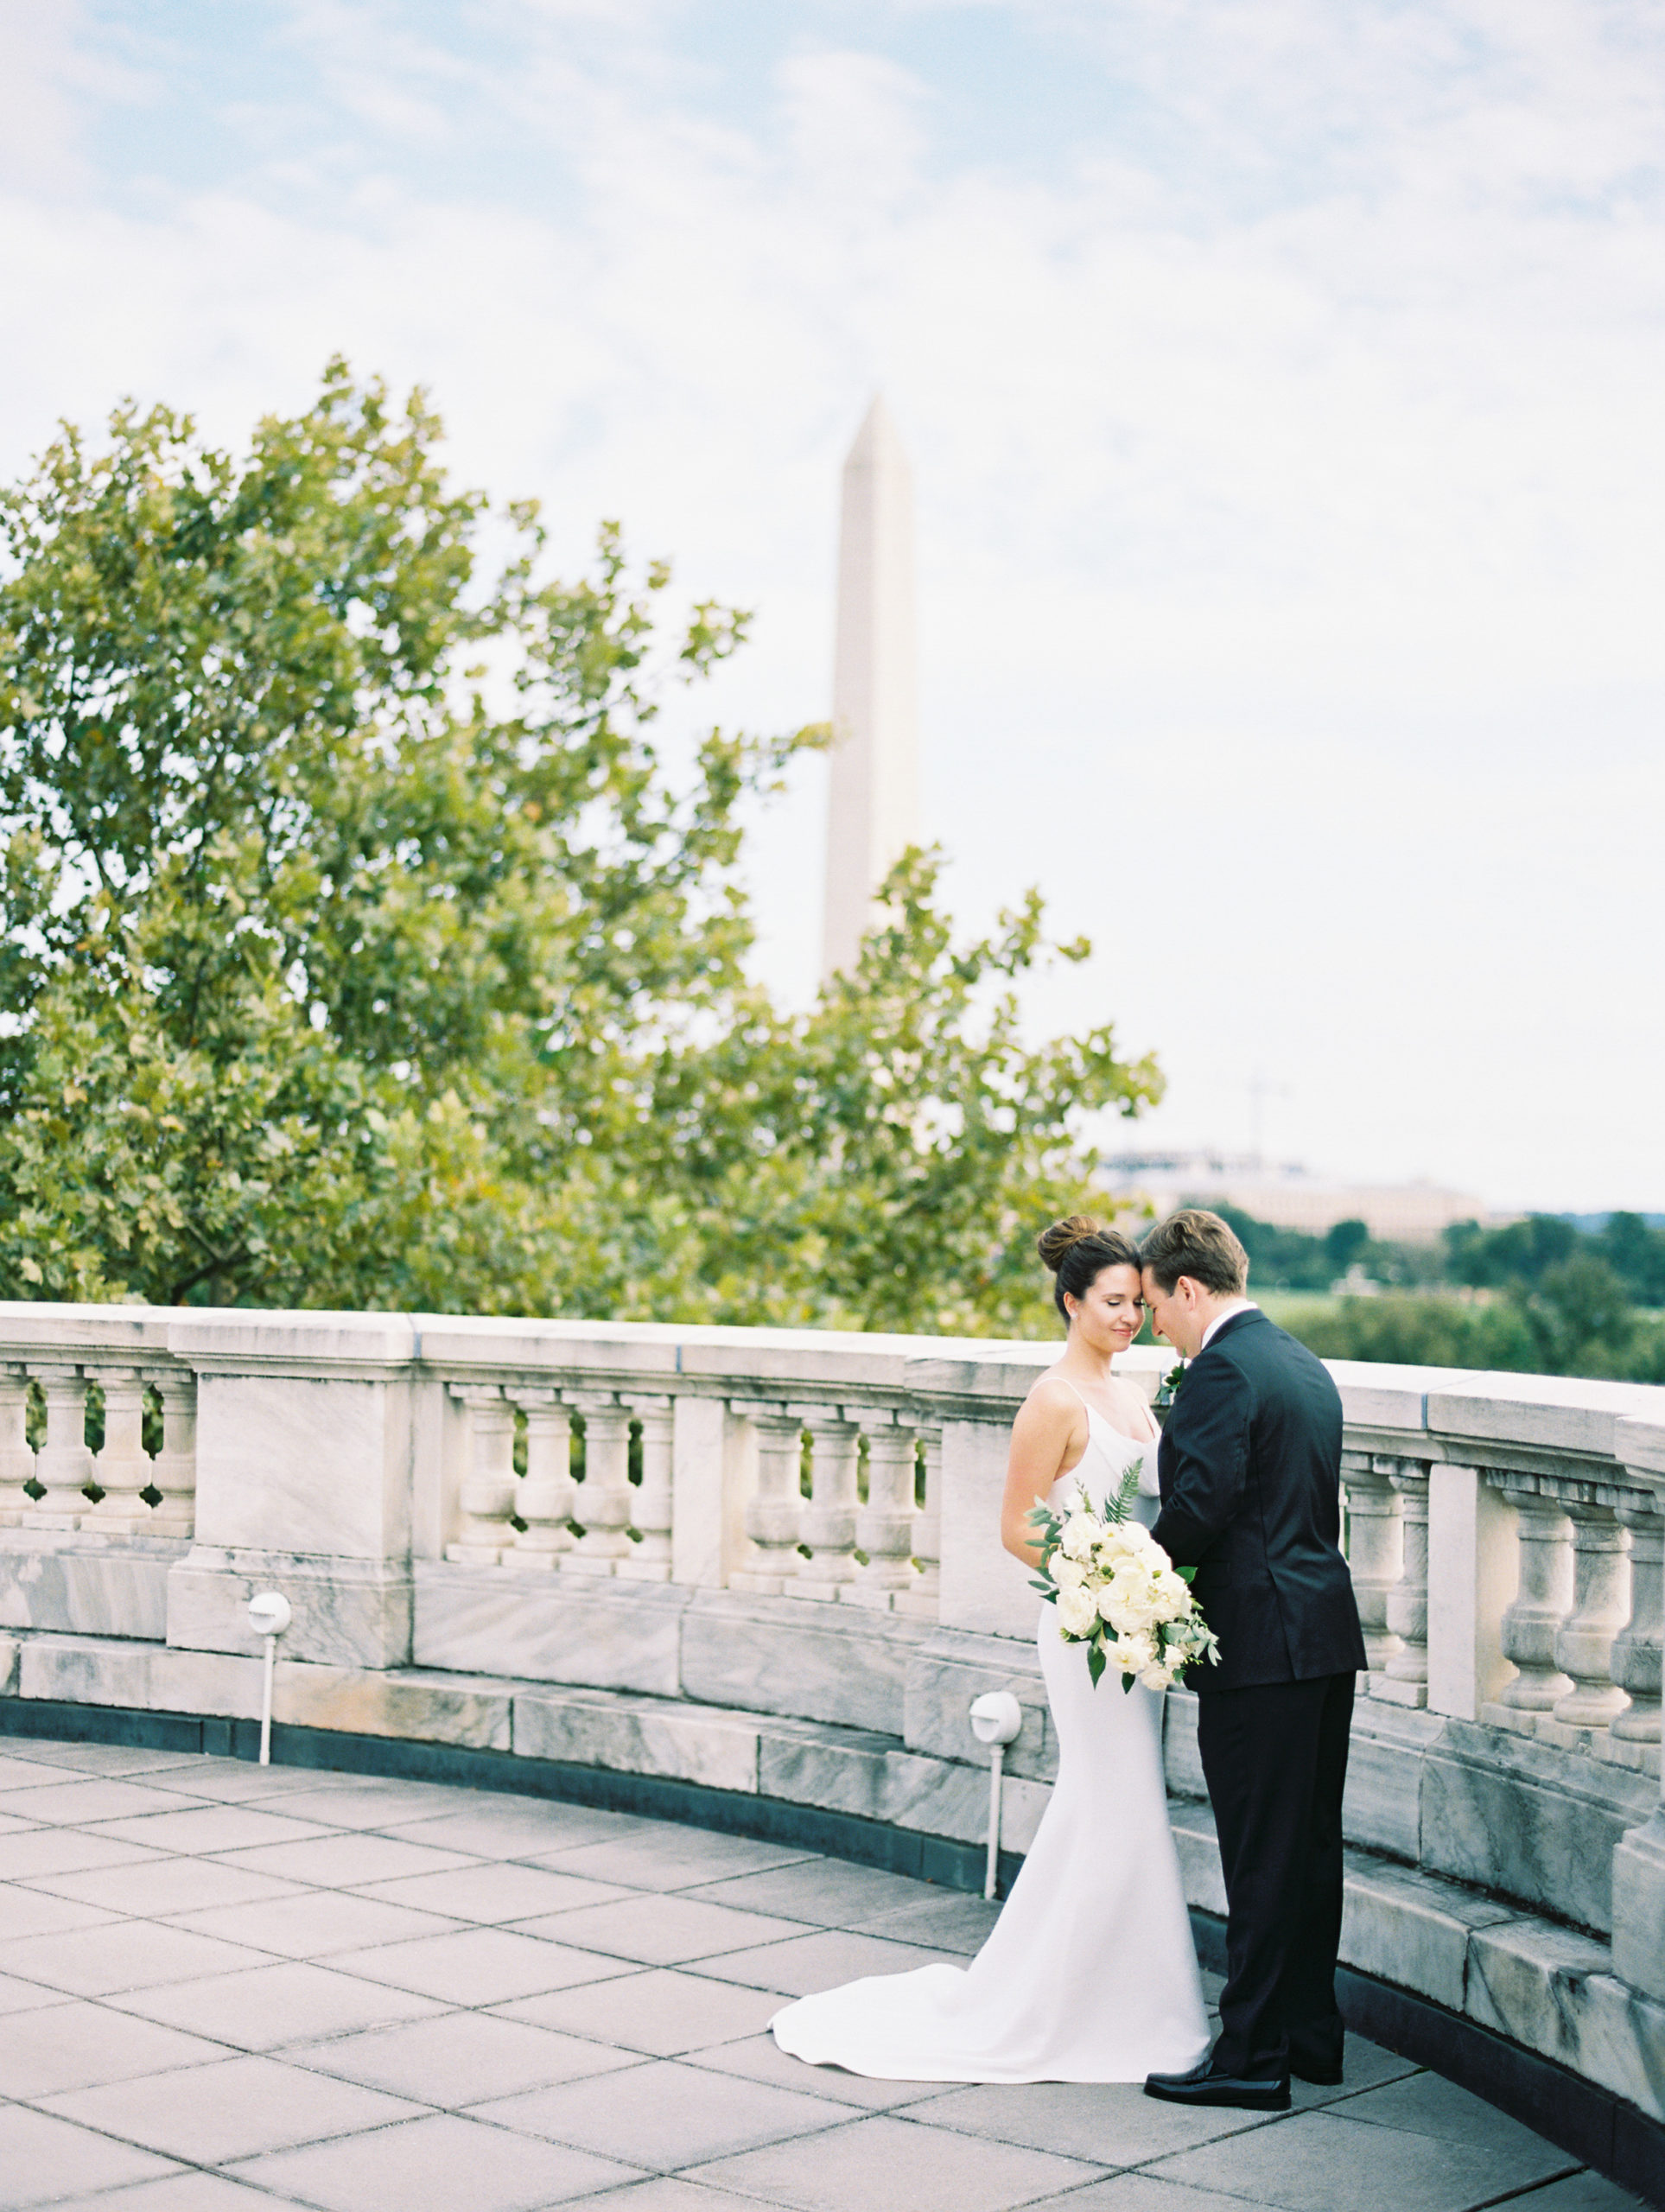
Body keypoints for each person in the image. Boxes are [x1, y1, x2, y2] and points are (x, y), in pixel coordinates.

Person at [770, 1217, 1211, 2083]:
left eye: (1136, 1303)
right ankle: (1097, 2009)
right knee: (1111, 1800)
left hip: (1132, 1634)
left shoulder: (1134, 1391)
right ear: (1070, 1302)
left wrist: (1146, 1596)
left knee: (1114, 1804)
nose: (1129, 1317)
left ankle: (1112, 1996)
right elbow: (1016, 1528)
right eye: (1113, 1303)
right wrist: (1102, 1585)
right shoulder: (1052, 1398)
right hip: (1086, 1627)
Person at [1139, 1208, 1366, 2113]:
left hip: (1258, 1644)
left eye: (1157, 1304)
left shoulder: (1221, 1369)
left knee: (1260, 1851)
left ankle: (1249, 2054)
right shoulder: (1299, 1360)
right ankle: (1311, 2035)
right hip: (1320, 1632)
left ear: (1188, 1287)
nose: (1157, 1324)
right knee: (1308, 1842)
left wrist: (1140, 1573)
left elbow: (1203, 1502)